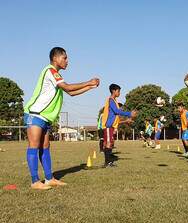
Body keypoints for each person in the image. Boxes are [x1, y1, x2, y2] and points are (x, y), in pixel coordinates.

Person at [24, 47, 99, 190]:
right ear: (55, 58)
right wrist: (88, 81)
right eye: (64, 58)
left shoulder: (56, 75)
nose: (67, 61)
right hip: (35, 113)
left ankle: (49, 178)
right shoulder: (50, 71)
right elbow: (69, 88)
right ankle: (34, 181)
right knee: (34, 146)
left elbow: (71, 93)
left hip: (45, 117)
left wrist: (90, 86)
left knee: (45, 147)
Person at [101, 84, 137, 167]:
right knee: (108, 144)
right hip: (108, 126)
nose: (119, 93)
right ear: (114, 91)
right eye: (118, 91)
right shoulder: (111, 100)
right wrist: (129, 114)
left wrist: (126, 120)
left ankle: (109, 161)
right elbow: (117, 111)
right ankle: (108, 162)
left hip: (111, 127)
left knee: (110, 144)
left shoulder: (114, 101)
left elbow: (115, 115)